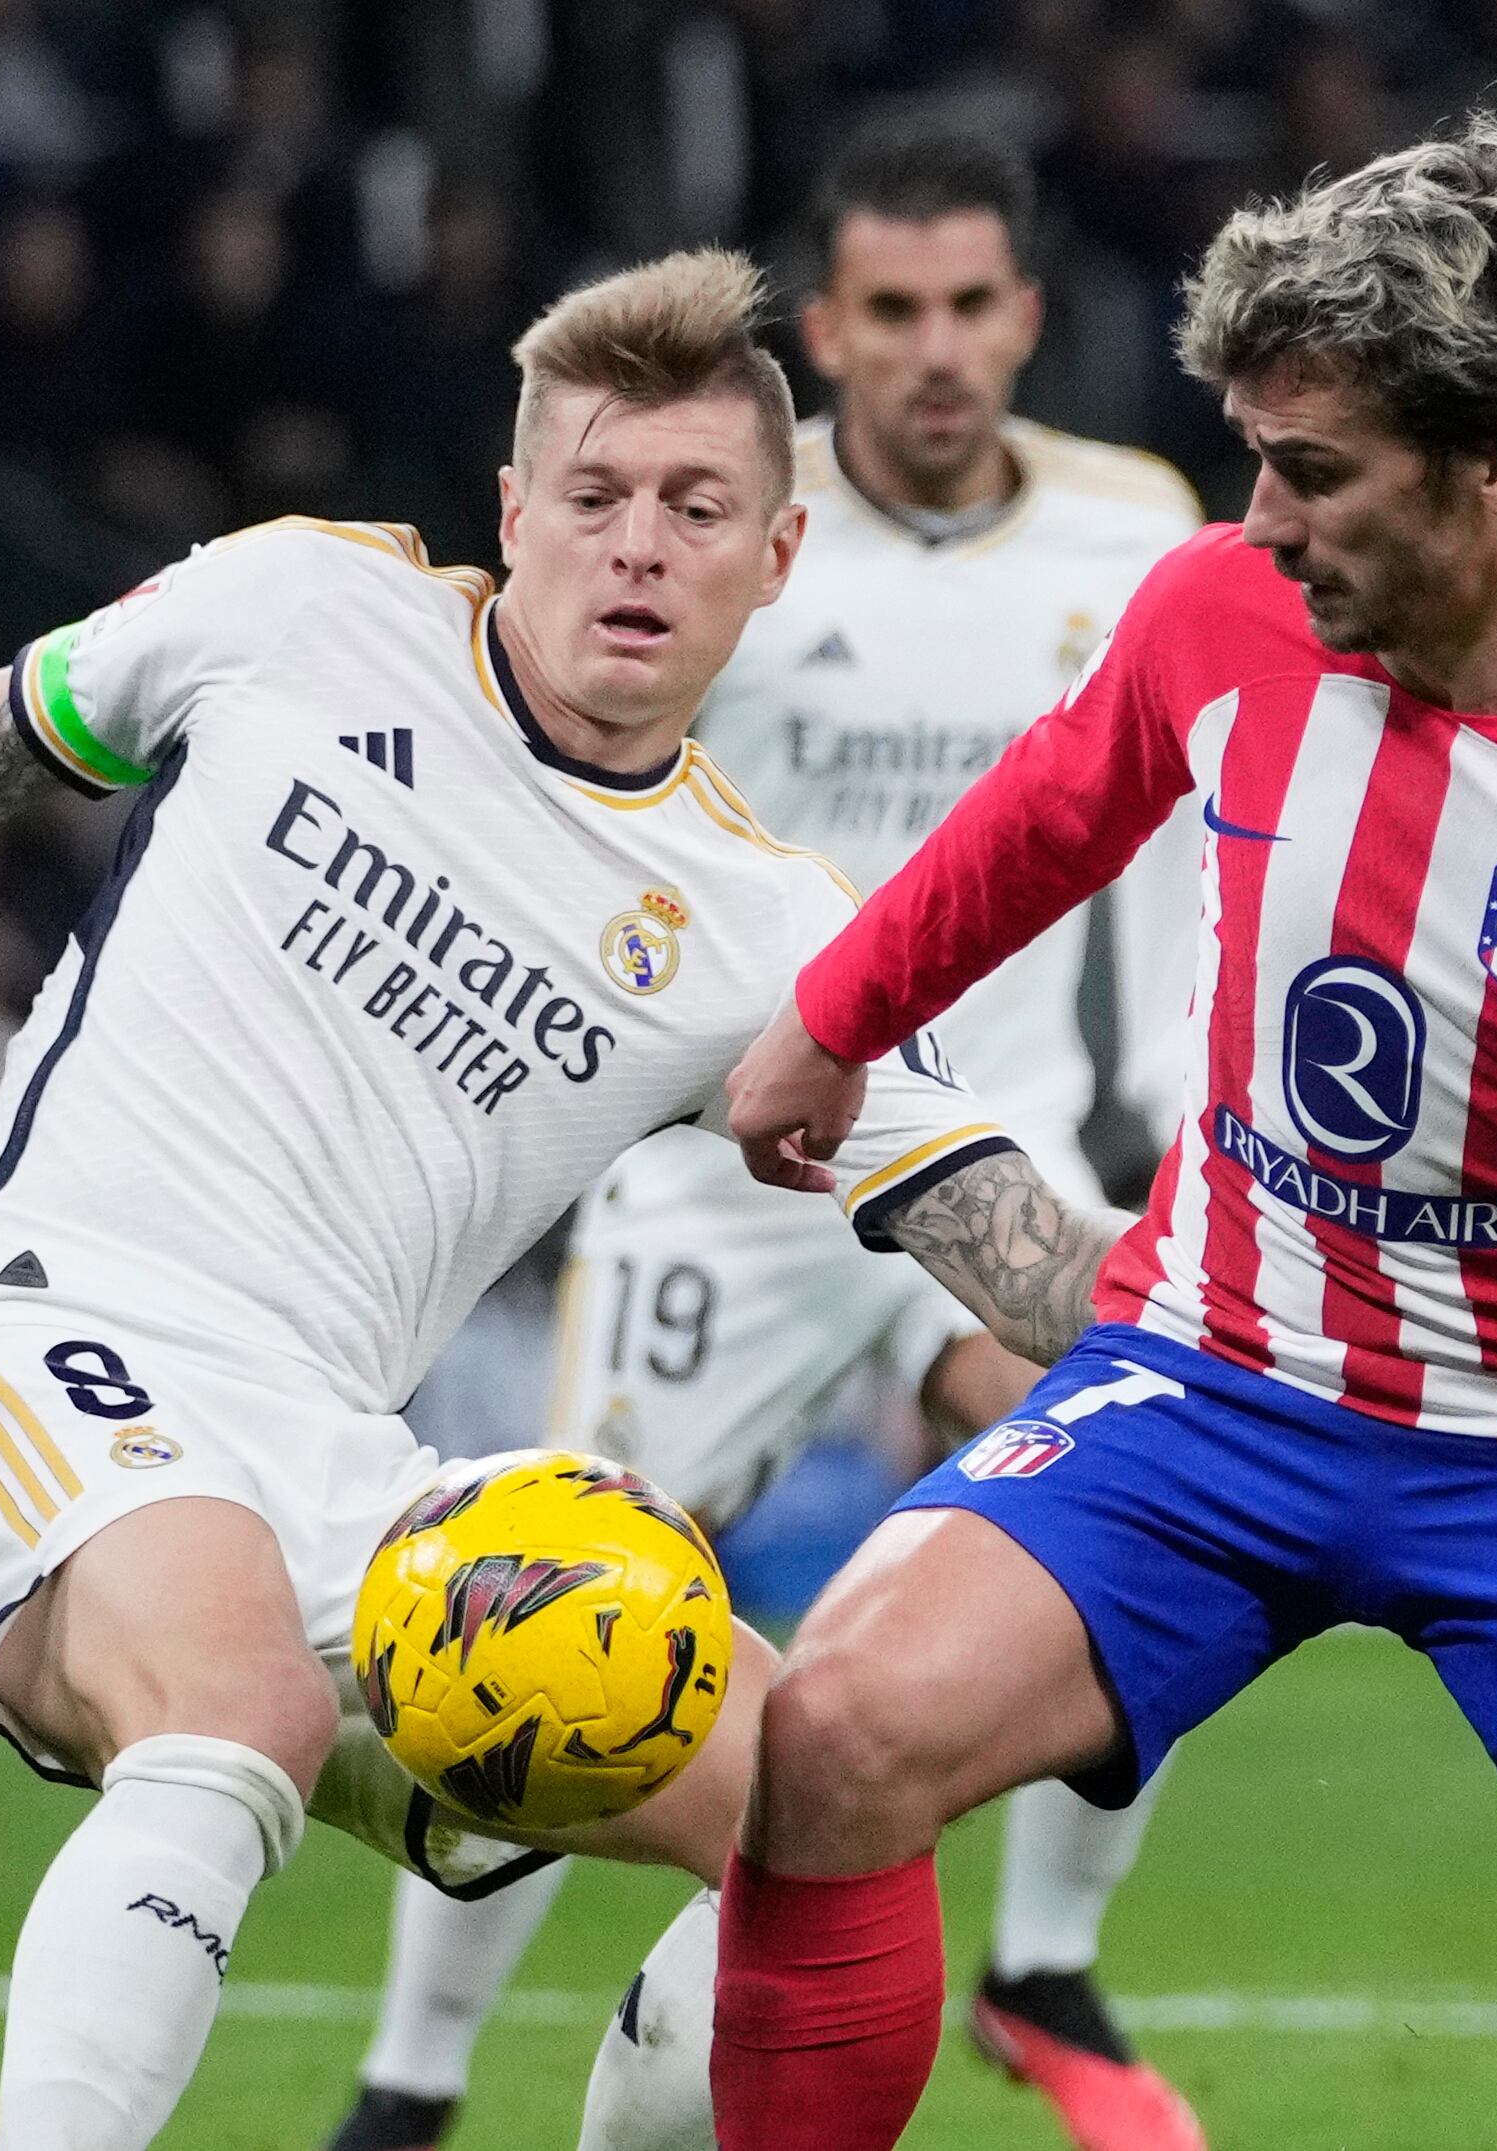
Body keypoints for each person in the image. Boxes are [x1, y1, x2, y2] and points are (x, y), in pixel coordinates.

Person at [0, 247, 1124, 2151]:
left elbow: (1026, 1253)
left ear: (777, 556)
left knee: (818, 1797)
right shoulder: (302, 606)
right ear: (513, 511)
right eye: (596, 495)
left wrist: (1329, 1364)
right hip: (47, 1345)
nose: (637, 547)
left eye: (695, 508)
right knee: (239, 1707)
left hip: (342, 1466)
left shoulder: (763, 933)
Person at [714, 121, 1497, 2151]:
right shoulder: (1216, 613)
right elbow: (1052, 808)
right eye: (1248, 457)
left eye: (1310, 470)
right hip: (1213, 1378)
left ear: (1495, 456)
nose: (1259, 519)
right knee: (833, 1729)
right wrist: (825, 1023)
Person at [326, 123, 1208, 2151]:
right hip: (713, 1165)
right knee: (552, 1610)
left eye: (967, 306)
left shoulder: (1129, 529)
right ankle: (410, 2082)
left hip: (987, 1143)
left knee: (1147, 1494)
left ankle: (1046, 1957)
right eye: (887, 312)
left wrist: (1162, 1082)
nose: (930, 350)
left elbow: (1178, 821)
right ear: (827, 330)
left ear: (1023, 318)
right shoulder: (726, 522)